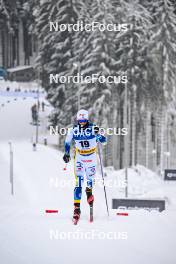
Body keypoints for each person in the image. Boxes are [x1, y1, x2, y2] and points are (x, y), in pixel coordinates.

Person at [63, 109, 106, 223]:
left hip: (91, 158)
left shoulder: (93, 128)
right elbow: (67, 142)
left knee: (90, 183)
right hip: (80, 158)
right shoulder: (73, 130)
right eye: (79, 120)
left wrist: (98, 135)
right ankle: (77, 209)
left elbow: (104, 141)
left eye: (84, 120)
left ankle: (89, 192)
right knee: (79, 183)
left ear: (87, 119)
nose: (81, 122)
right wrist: (66, 153)